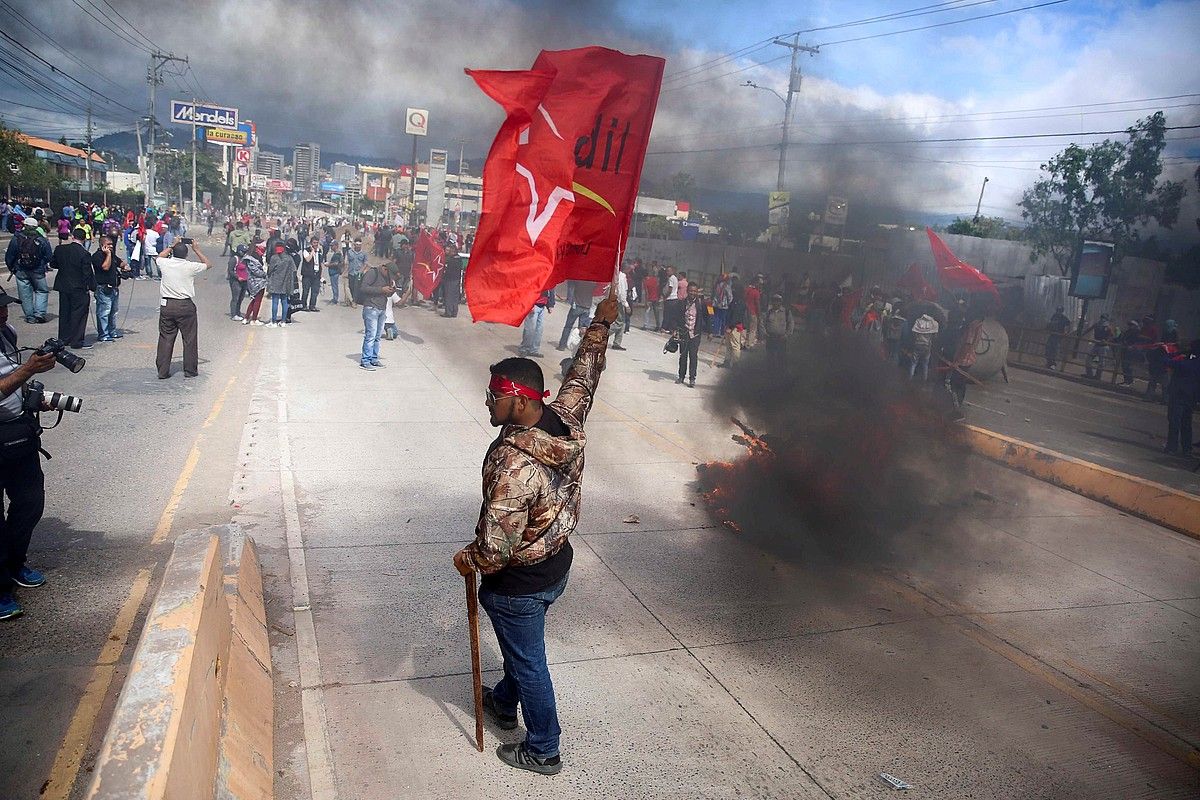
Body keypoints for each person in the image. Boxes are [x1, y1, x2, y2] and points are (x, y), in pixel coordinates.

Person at [453, 292, 617, 775]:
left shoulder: (512, 467)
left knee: (530, 663)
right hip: (556, 565)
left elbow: (494, 550)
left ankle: (544, 747)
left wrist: (468, 559)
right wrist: (600, 325)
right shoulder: (563, 419)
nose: (487, 400)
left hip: (518, 586)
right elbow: (582, 378)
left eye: (494, 395)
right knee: (519, 649)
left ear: (519, 399)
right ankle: (504, 703)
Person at [0, 290, 59, 620]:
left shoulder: (7, 334)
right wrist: (28, 370)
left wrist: (36, 397)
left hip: (17, 434)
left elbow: (12, 380)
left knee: (30, 502)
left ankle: (14, 563)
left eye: (5, 307)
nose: (4, 313)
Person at [156, 240, 213, 379]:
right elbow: (208, 264)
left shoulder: (165, 263)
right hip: (185, 305)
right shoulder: (190, 266)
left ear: (173, 253)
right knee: (189, 338)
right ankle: (190, 370)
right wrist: (197, 250)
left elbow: (159, 256)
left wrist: (171, 244)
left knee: (166, 338)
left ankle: (163, 371)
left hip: (167, 304)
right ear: (186, 254)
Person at [51, 227, 95, 349]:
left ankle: (63, 338)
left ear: (72, 236)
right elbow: (87, 273)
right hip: (79, 287)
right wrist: (91, 288)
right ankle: (76, 341)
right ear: (84, 238)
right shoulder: (84, 254)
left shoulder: (60, 249)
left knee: (64, 313)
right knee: (79, 314)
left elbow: (53, 263)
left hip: (63, 286)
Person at [5, 216, 53, 324]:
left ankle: (30, 316)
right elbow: (49, 256)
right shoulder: (42, 240)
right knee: (41, 291)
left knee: (25, 294)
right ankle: (40, 313)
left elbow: (10, 256)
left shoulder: (16, 239)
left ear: (24, 226)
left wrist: (12, 268)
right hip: (38, 270)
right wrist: (42, 263)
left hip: (21, 269)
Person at [1163, 339, 1198, 456]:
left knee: (1174, 421)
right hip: (1191, 397)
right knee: (1186, 423)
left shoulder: (1186, 363)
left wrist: (1176, 352)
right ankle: (1187, 449)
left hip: (1178, 395)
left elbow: (1166, 360)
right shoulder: (1195, 362)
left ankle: (1172, 447)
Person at [358, 260, 394, 371]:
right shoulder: (372, 273)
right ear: (384, 268)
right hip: (371, 307)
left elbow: (387, 294)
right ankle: (365, 361)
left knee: (377, 337)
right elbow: (363, 288)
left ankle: (374, 358)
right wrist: (381, 289)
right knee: (371, 335)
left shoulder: (387, 277)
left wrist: (391, 290)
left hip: (381, 308)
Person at [675, 282, 708, 388]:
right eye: (690, 291)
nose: (692, 293)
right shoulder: (681, 303)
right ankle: (681, 376)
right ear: (687, 291)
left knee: (693, 357)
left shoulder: (701, 304)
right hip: (684, 333)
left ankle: (692, 378)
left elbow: (708, 317)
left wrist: (710, 332)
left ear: (697, 292)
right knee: (683, 356)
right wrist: (676, 330)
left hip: (695, 334)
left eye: (694, 291)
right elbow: (677, 317)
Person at [92, 235, 124, 342]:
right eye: (108, 244)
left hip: (114, 288)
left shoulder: (112, 255)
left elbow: (121, 263)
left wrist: (125, 267)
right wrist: (108, 254)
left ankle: (112, 331)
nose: (111, 246)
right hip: (103, 288)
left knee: (113, 312)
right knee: (104, 312)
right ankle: (103, 334)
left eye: (111, 244)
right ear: (102, 245)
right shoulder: (97, 256)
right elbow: (105, 267)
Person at [555, 280, 595, 351]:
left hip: (576, 304)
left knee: (568, 326)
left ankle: (562, 345)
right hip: (587, 306)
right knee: (583, 329)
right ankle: (580, 348)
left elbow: (571, 288)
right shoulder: (593, 280)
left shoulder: (578, 278)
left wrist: (570, 300)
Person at [266, 242, 296, 327]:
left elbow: (270, 270)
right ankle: (283, 321)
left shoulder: (274, 258)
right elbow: (294, 269)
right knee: (284, 301)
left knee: (275, 302)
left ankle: (274, 321)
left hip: (275, 282)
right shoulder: (289, 258)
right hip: (286, 282)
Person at [519, 290, 555, 358]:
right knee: (530, 329)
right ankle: (524, 349)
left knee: (539, 330)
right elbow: (530, 289)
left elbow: (551, 291)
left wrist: (550, 305)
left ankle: (534, 350)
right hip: (534, 305)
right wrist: (530, 304)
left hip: (542, 306)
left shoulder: (548, 280)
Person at [240, 244, 268, 326]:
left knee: (254, 300)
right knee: (257, 301)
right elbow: (257, 272)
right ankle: (254, 319)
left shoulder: (252, 259)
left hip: (254, 282)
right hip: (257, 283)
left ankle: (246, 317)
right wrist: (265, 273)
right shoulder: (252, 260)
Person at [910, 312, 940, 381]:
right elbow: (935, 337)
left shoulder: (918, 321)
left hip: (917, 344)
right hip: (927, 346)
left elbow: (914, 333)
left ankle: (910, 379)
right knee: (925, 364)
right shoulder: (934, 323)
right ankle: (924, 381)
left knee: (913, 364)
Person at [1083, 314, 1113, 379]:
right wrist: (1081, 335)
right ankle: (1089, 374)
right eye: (1102, 317)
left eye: (1104, 318)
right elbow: (1089, 329)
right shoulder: (1097, 324)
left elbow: (1111, 336)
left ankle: (1098, 376)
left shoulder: (1108, 327)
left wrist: (1106, 340)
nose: (1102, 319)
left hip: (1103, 346)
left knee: (1101, 362)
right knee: (1088, 359)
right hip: (1096, 344)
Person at [442, 241, 463, 318]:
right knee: (455, 297)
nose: (449, 252)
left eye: (450, 251)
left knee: (449, 296)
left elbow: (448, 271)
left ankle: (448, 312)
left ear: (453, 251)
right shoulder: (459, 259)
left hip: (450, 280)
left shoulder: (451, 260)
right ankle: (454, 312)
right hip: (457, 279)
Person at [345, 238, 368, 308]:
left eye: (359, 245)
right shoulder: (349, 252)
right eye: (356, 244)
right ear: (354, 244)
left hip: (358, 273)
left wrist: (361, 271)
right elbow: (346, 262)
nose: (358, 246)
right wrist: (345, 271)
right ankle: (351, 299)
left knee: (356, 287)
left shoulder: (364, 253)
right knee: (351, 286)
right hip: (351, 272)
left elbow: (365, 263)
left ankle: (354, 301)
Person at [299, 240, 322, 312]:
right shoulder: (306, 250)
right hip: (307, 274)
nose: (316, 244)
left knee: (315, 291)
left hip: (316, 274)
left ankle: (312, 306)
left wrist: (321, 275)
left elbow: (320, 262)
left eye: (317, 243)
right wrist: (312, 252)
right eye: (314, 243)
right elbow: (308, 259)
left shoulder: (319, 251)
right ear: (311, 243)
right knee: (306, 291)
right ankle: (303, 305)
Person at [610, 267, 630, 351]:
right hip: (619, 302)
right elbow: (622, 292)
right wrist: (626, 305)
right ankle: (602, 335)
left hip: (614, 300)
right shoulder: (622, 276)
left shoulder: (616, 275)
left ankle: (617, 343)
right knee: (619, 323)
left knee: (622, 323)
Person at [744, 276, 762, 349]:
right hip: (753, 312)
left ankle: (743, 342)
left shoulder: (746, 289)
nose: (760, 285)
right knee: (753, 329)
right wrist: (759, 314)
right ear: (756, 283)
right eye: (759, 284)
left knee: (745, 328)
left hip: (745, 311)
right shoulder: (756, 292)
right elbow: (757, 304)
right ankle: (749, 344)